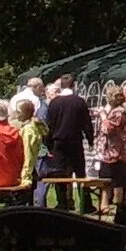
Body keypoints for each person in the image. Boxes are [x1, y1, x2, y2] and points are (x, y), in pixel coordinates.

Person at [40, 75, 93, 210]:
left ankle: (62, 203)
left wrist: (48, 144)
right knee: (80, 173)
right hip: (75, 141)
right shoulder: (79, 102)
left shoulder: (54, 103)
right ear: (74, 85)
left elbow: (49, 125)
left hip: (58, 143)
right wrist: (90, 139)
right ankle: (85, 204)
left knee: (59, 174)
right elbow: (87, 123)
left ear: (61, 87)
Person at [96, 103, 126, 206]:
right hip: (110, 152)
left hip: (117, 153)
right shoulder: (117, 111)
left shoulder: (119, 113)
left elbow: (108, 129)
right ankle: (105, 205)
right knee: (106, 180)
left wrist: (103, 115)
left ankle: (117, 206)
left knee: (117, 182)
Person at [12, 95, 49, 203]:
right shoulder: (30, 127)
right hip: (28, 170)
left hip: (27, 171)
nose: (16, 114)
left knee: (23, 203)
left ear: (26, 112)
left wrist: (25, 177)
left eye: (18, 111)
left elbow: (28, 154)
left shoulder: (28, 130)